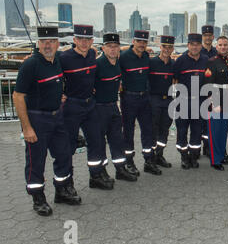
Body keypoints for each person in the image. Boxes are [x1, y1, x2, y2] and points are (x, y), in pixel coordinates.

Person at [13, 26, 81, 216]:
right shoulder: (31, 65)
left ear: (57, 43)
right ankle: (38, 198)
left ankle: (62, 190)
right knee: (36, 160)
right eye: (44, 42)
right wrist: (27, 128)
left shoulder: (57, 60)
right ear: (38, 44)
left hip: (57, 116)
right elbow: (18, 96)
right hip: (37, 119)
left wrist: (60, 95)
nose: (47, 45)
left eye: (51, 41)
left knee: (64, 154)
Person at [60, 24, 110, 189]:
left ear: (91, 41)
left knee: (96, 141)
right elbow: (50, 73)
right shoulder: (64, 58)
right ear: (74, 40)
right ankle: (66, 185)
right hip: (71, 106)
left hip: (89, 104)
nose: (83, 42)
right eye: (80, 39)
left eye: (87, 39)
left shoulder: (92, 54)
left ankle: (95, 176)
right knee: (68, 147)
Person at [94, 33, 137, 185]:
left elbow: (130, 49)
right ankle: (100, 172)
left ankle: (120, 169)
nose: (112, 49)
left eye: (115, 46)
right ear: (103, 48)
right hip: (99, 108)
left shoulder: (118, 62)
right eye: (109, 46)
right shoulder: (97, 65)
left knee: (117, 140)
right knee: (99, 143)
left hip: (113, 106)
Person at [119, 30, 159, 175]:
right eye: (139, 41)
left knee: (148, 130)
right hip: (129, 98)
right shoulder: (123, 57)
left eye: (144, 42)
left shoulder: (146, 56)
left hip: (144, 98)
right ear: (133, 41)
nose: (142, 44)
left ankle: (148, 160)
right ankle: (129, 162)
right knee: (128, 132)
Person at [173, 33, 208, 169]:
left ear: (201, 46)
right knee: (182, 131)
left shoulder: (206, 60)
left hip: (200, 101)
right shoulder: (180, 61)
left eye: (197, 44)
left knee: (197, 131)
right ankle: (184, 156)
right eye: (192, 44)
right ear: (188, 45)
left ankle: (194, 156)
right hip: (183, 101)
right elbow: (174, 80)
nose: (195, 47)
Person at [205, 36, 228, 171]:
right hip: (216, 100)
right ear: (216, 46)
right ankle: (215, 160)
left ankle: (221, 155)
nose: (223, 47)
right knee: (215, 132)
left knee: (223, 131)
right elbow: (208, 84)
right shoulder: (211, 62)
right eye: (220, 45)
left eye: (225, 45)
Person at [149, 35, 176, 168]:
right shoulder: (152, 63)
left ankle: (159, 155)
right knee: (153, 129)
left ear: (172, 49)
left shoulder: (173, 65)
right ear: (160, 47)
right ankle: (151, 158)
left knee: (164, 129)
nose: (167, 49)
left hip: (168, 100)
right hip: (154, 100)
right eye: (164, 46)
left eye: (169, 47)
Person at [200, 25, 217, 157]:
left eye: (209, 35)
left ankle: (207, 147)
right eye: (205, 35)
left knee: (208, 124)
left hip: (211, 93)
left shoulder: (216, 53)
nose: (207, 38)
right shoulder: (196, 51)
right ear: (202, 37)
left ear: (213, 37)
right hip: (197, 91)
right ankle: (195, 149)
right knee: (196, 122)